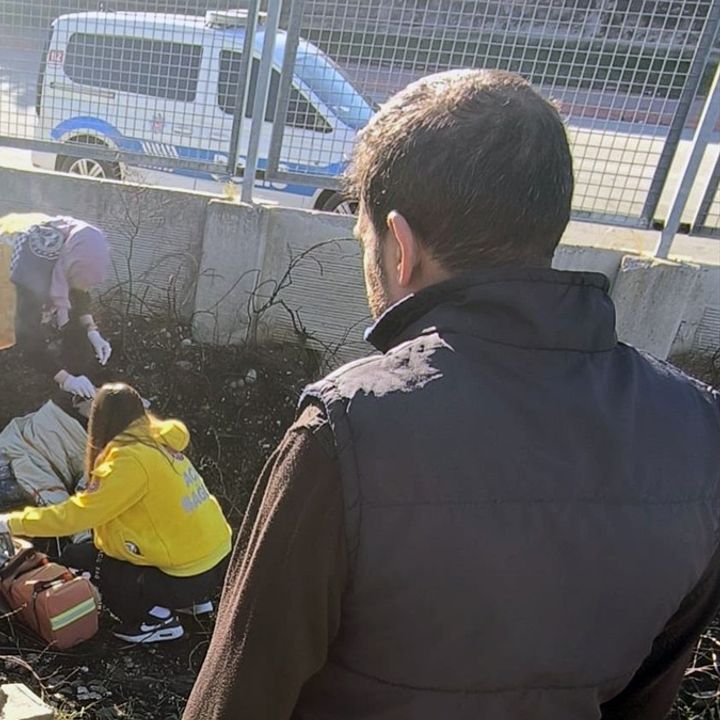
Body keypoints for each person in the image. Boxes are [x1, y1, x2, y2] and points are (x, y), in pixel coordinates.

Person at [184, 69, 720, 720]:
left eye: (365, 243)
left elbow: (236, 701)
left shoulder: (346, 435)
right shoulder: (698, 431)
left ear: (400, 246)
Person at [0, 383, 232, 644]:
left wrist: (9, 523)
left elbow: (74, 517)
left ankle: (156, 619)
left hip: (186, 577)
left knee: (83, 557)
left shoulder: (128, 461)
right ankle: (192, 604)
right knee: (117, 550)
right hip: (215, 562)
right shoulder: (158, 441)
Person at [0, 213, 113, 396]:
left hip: (8, 256)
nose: (85, 285)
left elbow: (79, 287)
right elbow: (27, 340)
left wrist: (92, 330)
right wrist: (66, 380)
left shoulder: (79, 242)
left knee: (15, 324)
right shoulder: (36, 270)